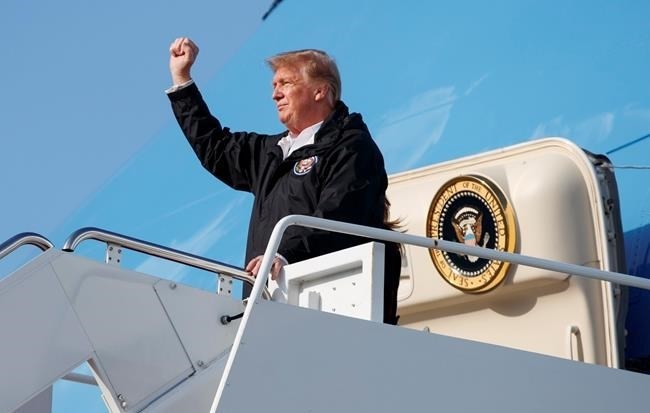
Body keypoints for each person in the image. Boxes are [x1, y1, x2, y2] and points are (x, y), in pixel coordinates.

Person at [167, 37, 401, 324]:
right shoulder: (270, 152)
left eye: (286, 83)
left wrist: (284, 253)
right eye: (274, 86)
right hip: (268, 307)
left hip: (332, 311)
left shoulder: (352, 147)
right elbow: (214, 147)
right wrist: (182, 81)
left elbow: (340, 213)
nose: (275, 94)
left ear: (320, 91)